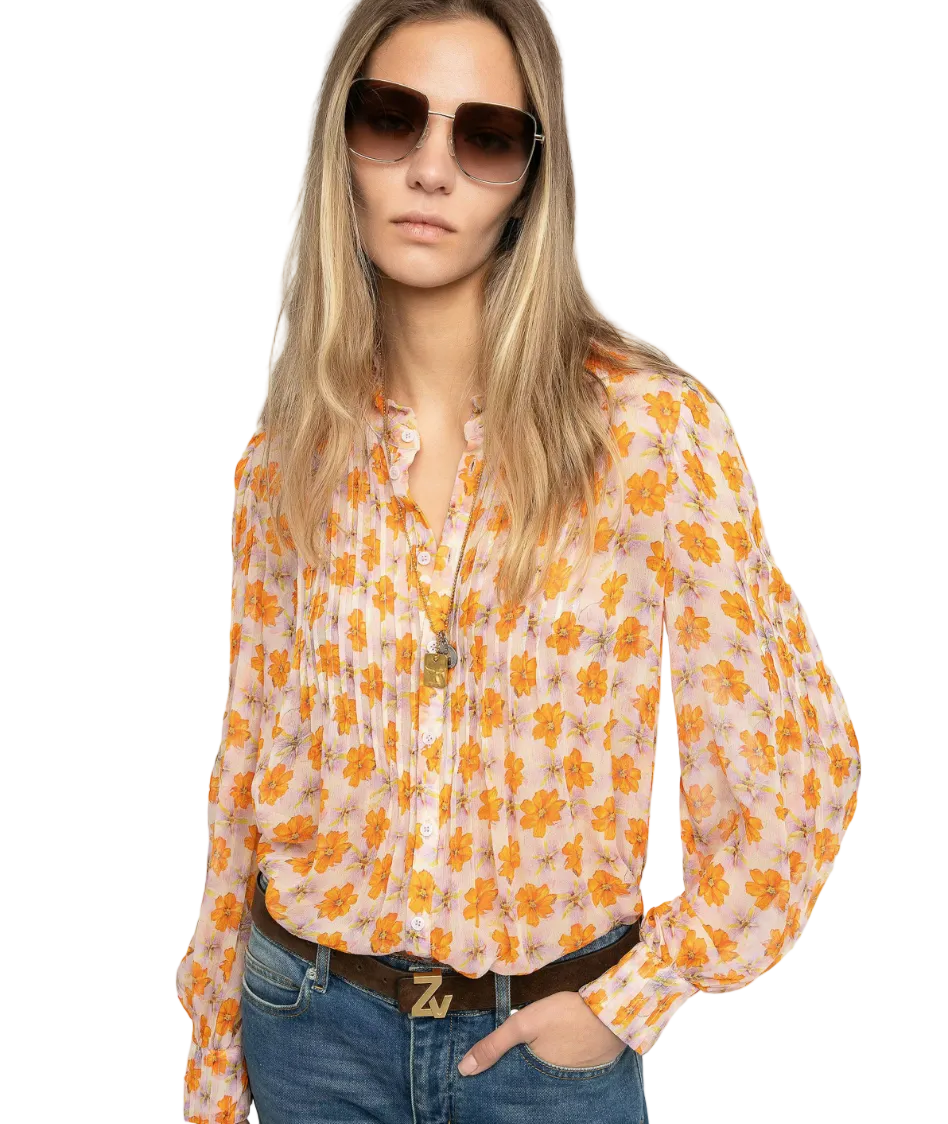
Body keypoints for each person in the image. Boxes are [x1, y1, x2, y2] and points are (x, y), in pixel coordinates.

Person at [174, 2, 862, 1121]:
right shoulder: (286, 452)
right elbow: (245, 763)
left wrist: (641, 989)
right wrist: (214, 1055)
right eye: (391, 118)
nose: (432, 169)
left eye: (486, 135)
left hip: (545, 1060)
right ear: (338, 143)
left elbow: (797, 761)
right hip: (305, 1030)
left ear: (532, 179)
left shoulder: (650, 431)